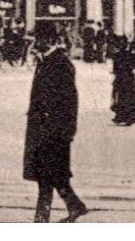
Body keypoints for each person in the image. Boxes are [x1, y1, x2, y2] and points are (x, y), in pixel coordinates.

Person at [23, 22, 88, 223]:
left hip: (54, 131)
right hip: (43, 129)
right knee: (52, 174)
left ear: (49, 40)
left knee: (47, 176)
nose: (35, 43)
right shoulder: (46, 61)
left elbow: (70, 101)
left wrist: (67, 131)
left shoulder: (60, 63)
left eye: (38, 39)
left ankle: (41, 220)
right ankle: (75, 206)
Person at [110, 33, 135, 126]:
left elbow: (115, 69)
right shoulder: (129, 54)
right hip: (129, 79)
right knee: (130, 98)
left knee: (121, 98)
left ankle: (122, 116)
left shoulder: (117, 55)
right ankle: (130, 116)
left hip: (121, 79)